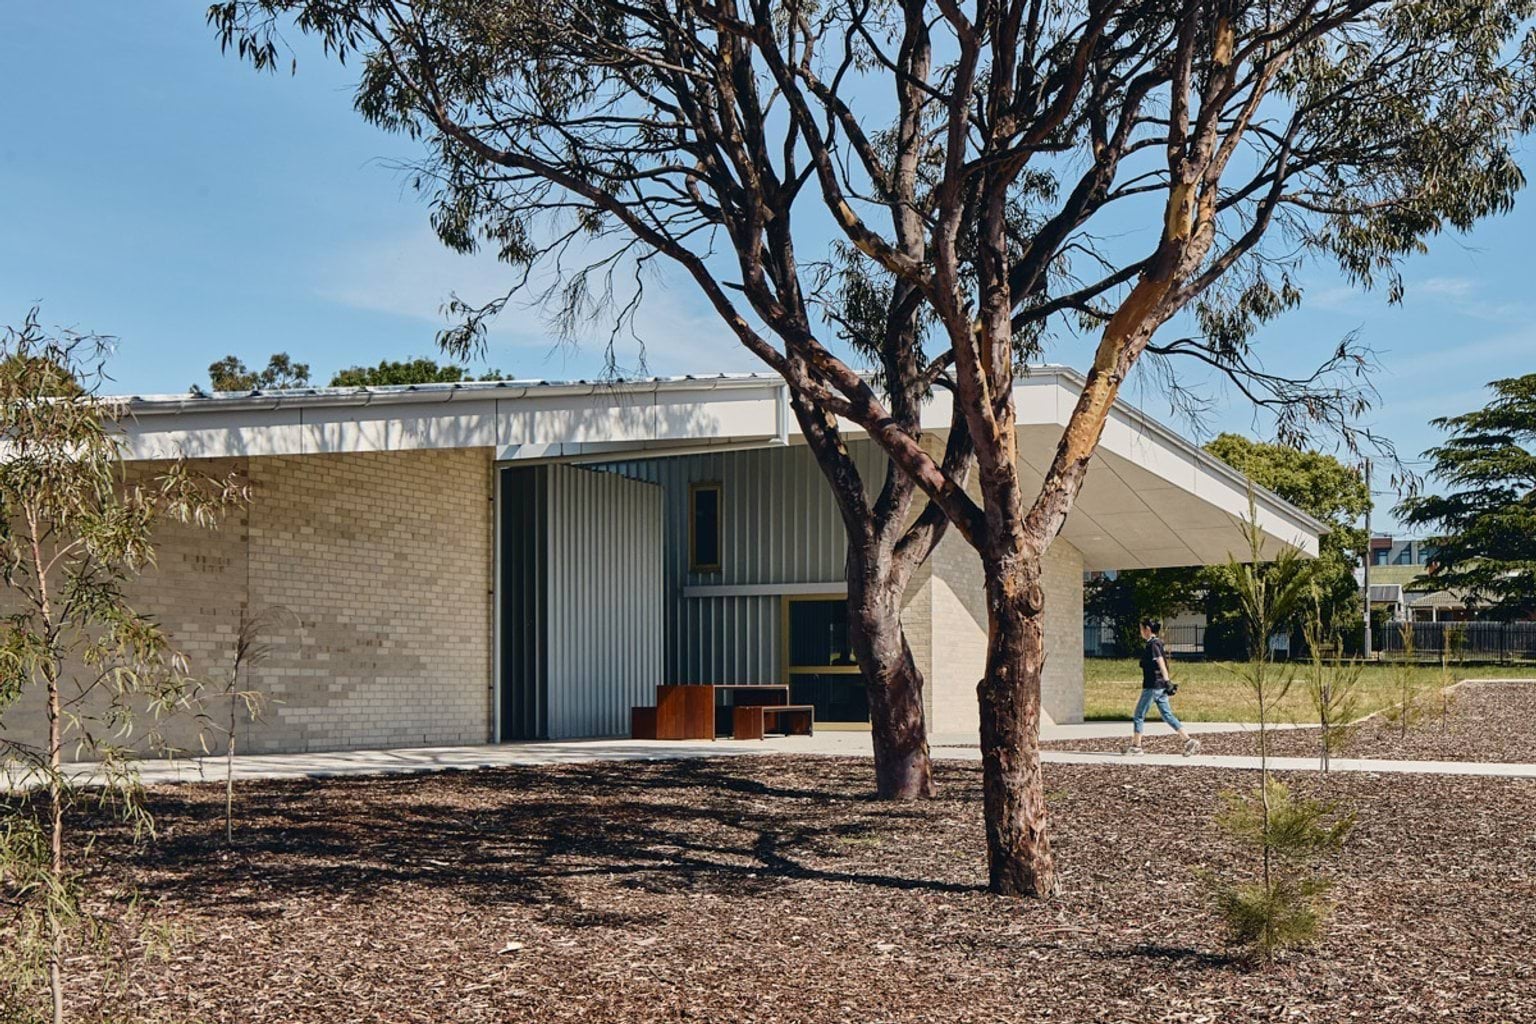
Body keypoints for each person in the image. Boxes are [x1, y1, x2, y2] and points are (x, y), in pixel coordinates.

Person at [1126, 618, 1201, 756]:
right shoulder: (1157, 643)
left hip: (1153, 686)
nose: (1140, 632)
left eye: (1141, 629)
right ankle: (1189, 741)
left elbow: (1161, 662)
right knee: (1167, 715)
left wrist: (1167, 681)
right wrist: (1166, 683)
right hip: (1159, 686)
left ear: (1147, 629)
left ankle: (1136, 747)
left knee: (1138, 715)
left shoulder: (1153, 645)